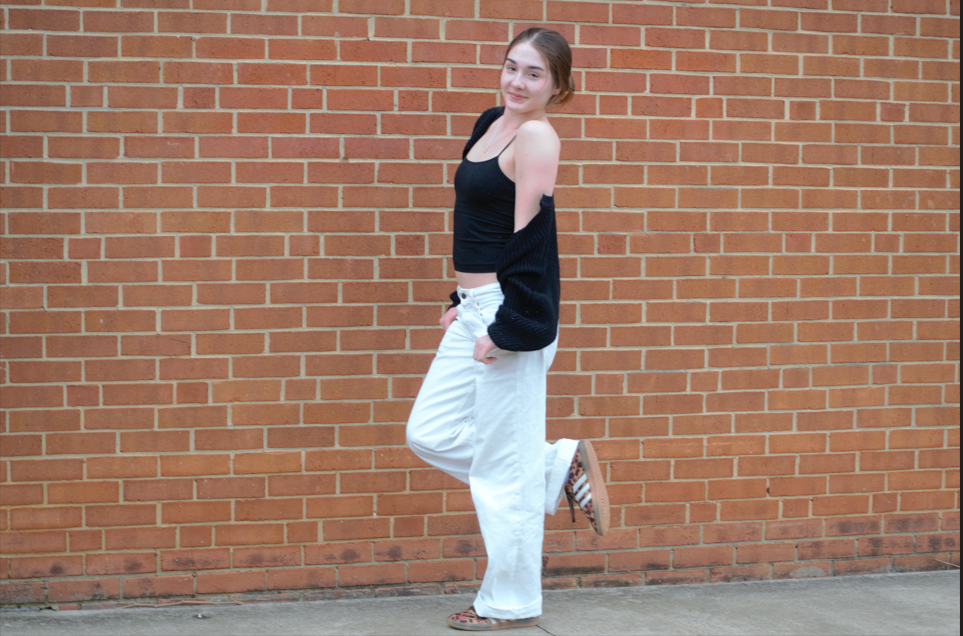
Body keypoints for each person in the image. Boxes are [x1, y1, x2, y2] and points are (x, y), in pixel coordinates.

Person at [405, 28, 611, 631]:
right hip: (476, 307)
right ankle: (554, 466)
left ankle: (509, 603)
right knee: (429, 431)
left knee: (501, 474)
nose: (517, 83)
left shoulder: (538, 137)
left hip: (509, 312)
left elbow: (530, 240)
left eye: (534, 75)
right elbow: (480, 218)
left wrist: (510, 324)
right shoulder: (491, 120)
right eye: (511, 67)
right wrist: (460, 300)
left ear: (558, 86)